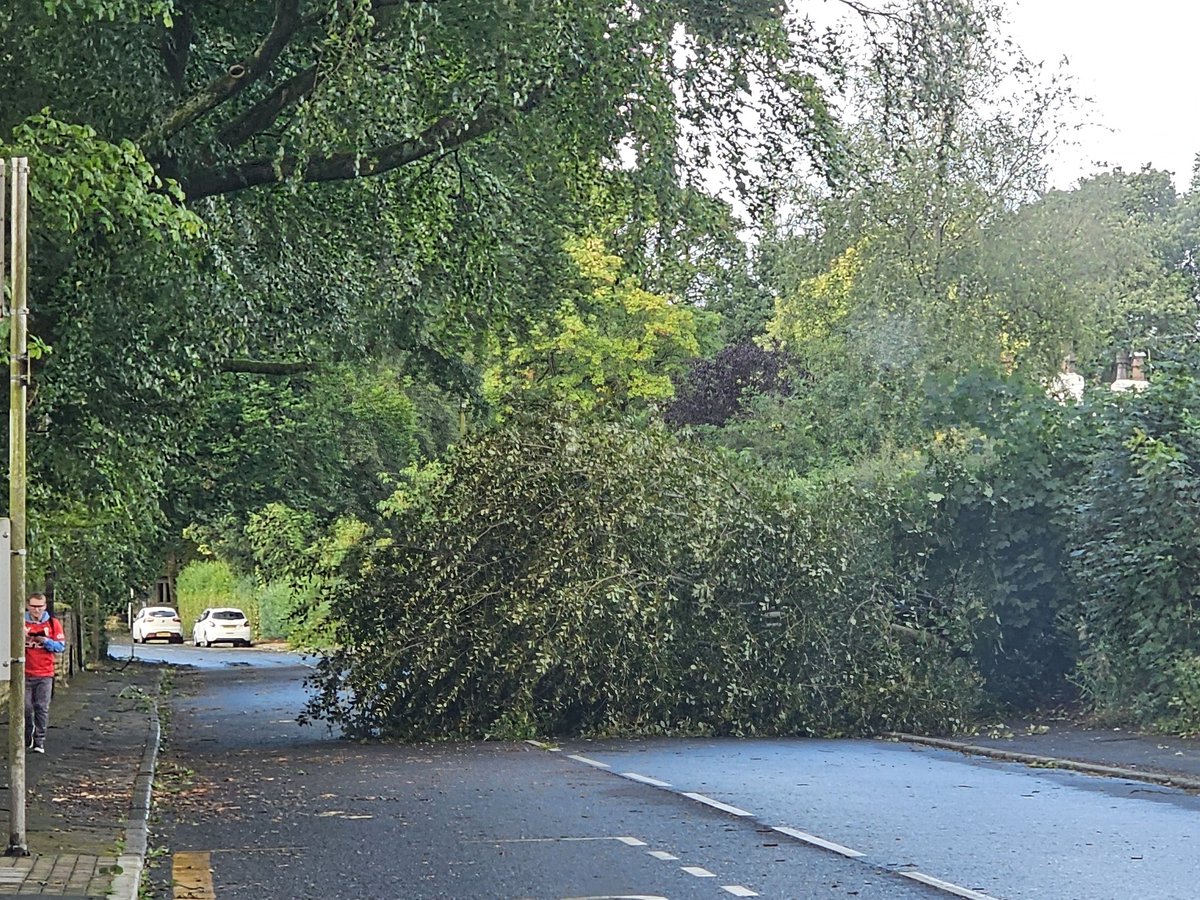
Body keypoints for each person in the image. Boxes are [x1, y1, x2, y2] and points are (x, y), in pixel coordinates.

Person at [24, 592, 65, 754]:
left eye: (40, 606)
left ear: (45, 606)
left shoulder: (53, 624)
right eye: (33, 606)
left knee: (41, 707)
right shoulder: (20, 623)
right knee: (25, 707)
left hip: (45, 673)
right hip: (24, 672)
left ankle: (39, 740)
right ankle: (27, 734)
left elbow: (60, 646)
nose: (36, 610)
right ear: (28, 606)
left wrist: (46, 641)